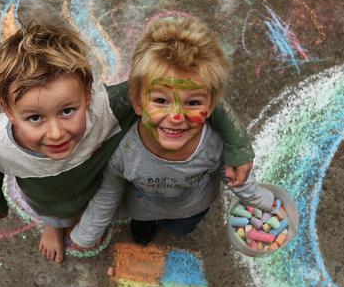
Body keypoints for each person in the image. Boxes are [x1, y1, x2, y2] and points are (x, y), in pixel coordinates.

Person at [0, 19, 257, 263]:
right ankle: (53, 226)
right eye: (35, 118)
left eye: (68, 111)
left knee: (87, 208)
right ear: (8, 110)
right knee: (53, 213)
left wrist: (239, 146)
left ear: (88, 95)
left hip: (91, 190)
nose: (57, 132)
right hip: (45, 197)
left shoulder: (107, 107)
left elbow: (191, 92)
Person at [70, 17, 275, 248]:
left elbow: (238, 179)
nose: (176, 117)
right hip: (142, 209)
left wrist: (268, 204)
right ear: (137, 102)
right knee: (141, 227)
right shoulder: (121, 151)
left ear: (212, 105)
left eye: (193, 102)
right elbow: (108, 192)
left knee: (180, 228)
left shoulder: (216, 146)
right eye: (160, 100)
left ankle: (173, 226)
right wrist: (87, 233)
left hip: (192, 208)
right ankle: (144, 228)